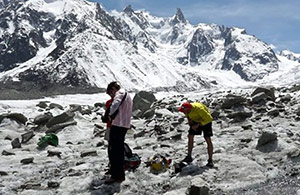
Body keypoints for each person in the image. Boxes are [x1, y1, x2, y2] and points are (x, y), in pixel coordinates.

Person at [104, 81, 133, 184]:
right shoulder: (127, 95)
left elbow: (115, 104)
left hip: (117, 125)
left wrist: (109, 114)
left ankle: (116, 175)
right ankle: (118, 173)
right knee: (119, 151)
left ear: (113, 89)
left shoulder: (119, 94)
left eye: (110, 93)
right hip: (124, 125)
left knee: (115, 152)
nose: (111, 96)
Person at [178, 101, 214, 167]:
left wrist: (198, 125)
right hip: (196, 120)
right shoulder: (186, 110)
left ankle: (210, 160)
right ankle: (189, 156)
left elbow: (209, 118)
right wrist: (190, 122)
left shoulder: (199, 109)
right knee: (190, 136)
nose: (183, 112)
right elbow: (187, 115)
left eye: (184, 111)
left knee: (207, 138)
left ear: (189, 109)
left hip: (206, 121)